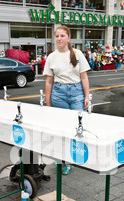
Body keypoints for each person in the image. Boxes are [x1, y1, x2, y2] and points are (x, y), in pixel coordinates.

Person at [43, 25, 91, 175]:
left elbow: (84, 77)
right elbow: (49, 82)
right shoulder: (51, 57)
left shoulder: (77, 54)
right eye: (57, 36)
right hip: (58, 93)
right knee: (62, 129)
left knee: (76, 127)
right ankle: (64, 161)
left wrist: (87, 96)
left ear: (69, 38)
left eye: (62, 36)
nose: (59, 39)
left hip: (76, 92)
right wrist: (48, 102)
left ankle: (74, 156)